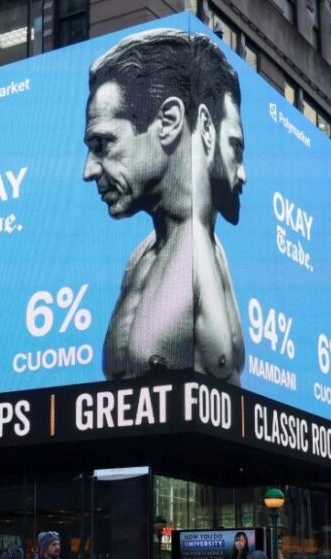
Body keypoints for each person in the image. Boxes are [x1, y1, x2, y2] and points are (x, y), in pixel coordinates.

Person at [83, 28, 244, 384]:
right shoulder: (139, 260)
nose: (88, 170)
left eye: (103, 144)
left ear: (169, 122)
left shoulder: (204, 259)